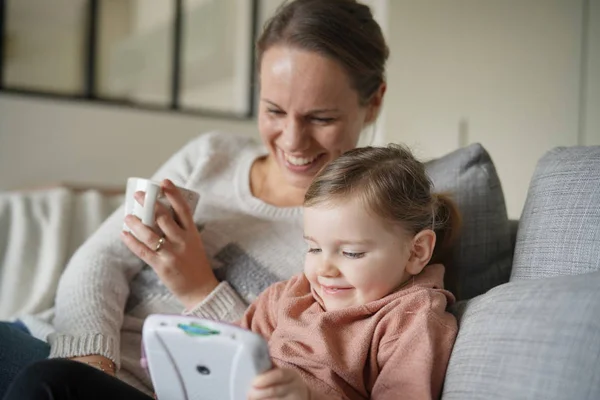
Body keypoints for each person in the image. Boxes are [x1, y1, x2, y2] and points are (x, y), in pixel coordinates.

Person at [0, 0, 389, 397]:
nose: (292, 141)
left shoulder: (365, 231)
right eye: (273, 110)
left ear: (374, 101)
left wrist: (200, 289)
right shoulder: (211, 155)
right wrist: (89, 362)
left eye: (321, 118)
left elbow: (292, 375)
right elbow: (101, 258)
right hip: (60, 346)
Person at [4, 145, 460, 400]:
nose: (324, 268)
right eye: (314, 247)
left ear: (417, 252)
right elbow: (230, 344)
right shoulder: (294, 295)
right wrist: (177, 352)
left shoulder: (412, 319)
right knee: (48, 382)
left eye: (352, 253)